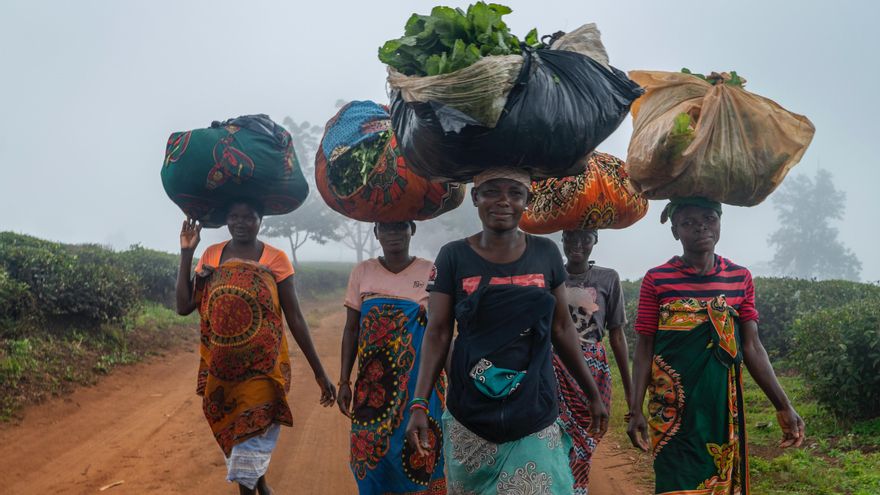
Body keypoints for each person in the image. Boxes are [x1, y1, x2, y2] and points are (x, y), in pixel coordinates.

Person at [405, 168, 609, 495]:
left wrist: (592, 393)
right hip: (469, 412)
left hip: (534, 409)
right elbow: (439, 332)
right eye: (491, 192)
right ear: (475, 197)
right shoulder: (453, 256)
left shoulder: (545, 253)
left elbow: (561, 327)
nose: (503, 201)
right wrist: (418, 403)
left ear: (527, 200)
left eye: (515, 193)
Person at [627, 197, 805, 495]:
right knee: (675, 484)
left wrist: (783, 405)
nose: (701, 228)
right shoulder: (657, 279)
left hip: (720, 410)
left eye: (709, 219)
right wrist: (635, 410)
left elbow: (752, 347)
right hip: (671, 410)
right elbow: (644, 347)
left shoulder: (739, 278)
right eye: (688, 222)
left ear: (720, 223)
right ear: (675, 231)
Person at [176, 199, 336, 495]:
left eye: (248, 217)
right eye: (233, 216)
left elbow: (296, 319)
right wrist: (187, 252)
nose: (240, 223)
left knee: (245, 470)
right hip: (222, 378)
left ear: (261, 220)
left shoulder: (276, 259)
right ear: (226, 220)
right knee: (250, 470)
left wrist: (319, 372)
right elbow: (183, 306)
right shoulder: (212, 254)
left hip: (263, 373)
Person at [337, 221, 447, 494]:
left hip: (420, 388)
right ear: (376, 232)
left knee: (419, 456)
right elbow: (351, 329)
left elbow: (441, 330)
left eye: (400, 227)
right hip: (372, 390)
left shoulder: (430, 270)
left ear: (413, 230)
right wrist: (343, 381)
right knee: (368, 456)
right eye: (386, 228)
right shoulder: (363, 271)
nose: (393, 234)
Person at [556, 228, 632, 494]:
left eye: (586, 238)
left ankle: (575, 487)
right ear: (562, 239)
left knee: (587, 437)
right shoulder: (551, 274)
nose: (578, 244)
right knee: (556, 437)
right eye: (571, 237)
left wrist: (632, 395)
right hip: (555, 366)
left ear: (595, 241)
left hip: (594, 367)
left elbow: (617, 335)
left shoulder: (607, 278)